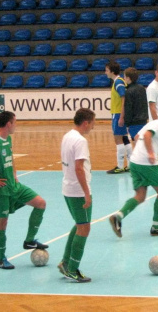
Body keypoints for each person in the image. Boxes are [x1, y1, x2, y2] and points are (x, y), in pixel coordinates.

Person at [0, 111, 48, 270]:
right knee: (2, 223)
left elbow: (10, 157)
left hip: (13, 186)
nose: (16, 125)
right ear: (8, 124)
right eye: (15, 122)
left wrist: (15, 174)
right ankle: (1, 259)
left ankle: (29, 240)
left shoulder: (8, 139)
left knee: (40, 203)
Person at [109, 110, 158, 238]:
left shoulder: (153, 123)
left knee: (140, 195)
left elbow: (138, 137)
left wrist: (142, 151)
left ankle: (118, 217)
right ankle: (156, 227)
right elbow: (148, 135)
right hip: (148, 164)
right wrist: (150, 153)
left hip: (134, 162)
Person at [58, 108, 96, 283]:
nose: (93, 127)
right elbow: (79, 168)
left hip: (67, 188)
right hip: (78, 191)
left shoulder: (67, 136)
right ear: (86, 122)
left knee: (79, 225)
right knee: (84, 228)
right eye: (93, 123)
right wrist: (86, 193)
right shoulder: (80, 141)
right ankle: (72, 269)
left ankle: (65, 263)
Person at [105, 61, 132, 174]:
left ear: (111, 71)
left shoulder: (118, 82)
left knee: (118, 139)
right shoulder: (119, 81)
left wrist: (121, 116)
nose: (105, 72)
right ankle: (130, 165)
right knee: (125, 138)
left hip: (118, 114)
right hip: (119, 114)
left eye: (106, 70)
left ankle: (120, 166)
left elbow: (123, 97)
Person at [123, 67, 148, 141]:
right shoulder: (142, 88)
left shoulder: (129, 91)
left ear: (128, 78)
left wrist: (127, 123)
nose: (123, 78)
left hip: (134, 123)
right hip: (143, 121)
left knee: (138, 147)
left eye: (124, 76)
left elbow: (128, 109)